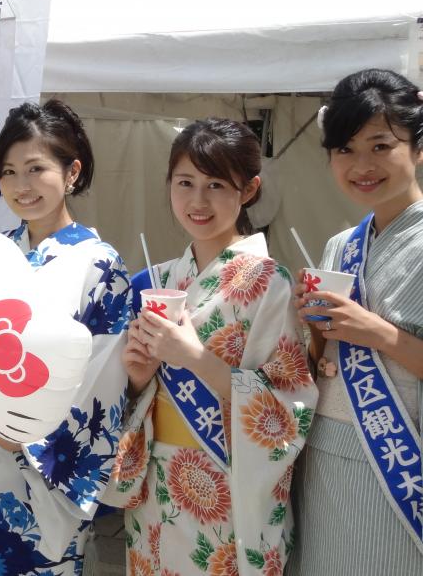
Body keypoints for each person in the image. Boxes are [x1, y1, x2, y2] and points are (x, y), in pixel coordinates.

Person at [104, 118, 318, 575]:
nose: (197, 201)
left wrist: (193, 358)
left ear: (249, 189)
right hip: (158, 488)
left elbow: (288, 407)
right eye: (185, 183)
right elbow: (138, 391)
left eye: (216, 184)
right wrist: (139, 379)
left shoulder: (268, 283)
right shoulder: (160, 280)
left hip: (227, 484)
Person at [0, 100, 131, 575]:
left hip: (37, 476)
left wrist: (22, 438)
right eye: (9, 172)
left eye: (36, 169)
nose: (22, 186)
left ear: (71, 172)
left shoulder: (100, 265)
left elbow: (102, 382)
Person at [289, 69, 423, 573]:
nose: (361, 165)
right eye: (344, 149)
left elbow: (375, 338)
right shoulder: (339, 247)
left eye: (380, 145)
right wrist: (317, 329)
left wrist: (379, 333)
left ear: (418, 148)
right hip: (328, 454)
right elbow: (325, 362)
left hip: (401, 461)